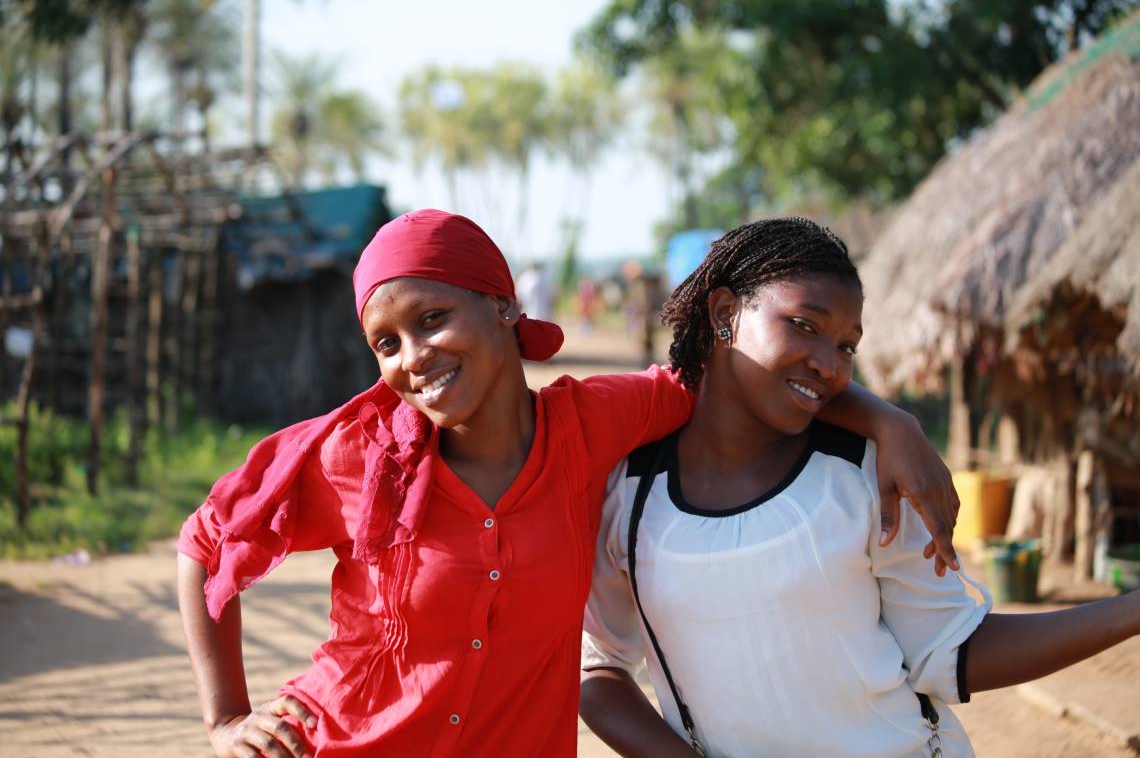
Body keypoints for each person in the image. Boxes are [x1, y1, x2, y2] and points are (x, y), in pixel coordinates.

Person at [177, 209, 960, 757]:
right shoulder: (361, 457)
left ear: (503, 309)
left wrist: (891, 422)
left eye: (432, 318)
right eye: (385, 342)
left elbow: (739, 375)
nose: (411, 355)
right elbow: (205, 542)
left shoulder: (594, 425)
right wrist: (226, 719)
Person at [579, 218, 1140, 757]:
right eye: (804, 324)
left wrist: (1131, 610)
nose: (828, 364)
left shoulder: (868, 474)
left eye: (847, 346)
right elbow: (599, 668)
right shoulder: (631, 489)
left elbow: (951, 649)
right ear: (726, 313)